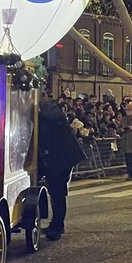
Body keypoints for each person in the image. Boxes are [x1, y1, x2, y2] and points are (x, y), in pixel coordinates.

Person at [38, 96, 86, 240]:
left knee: (58, 193)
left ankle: (57, 227)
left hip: (61, 159)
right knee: (56, 193)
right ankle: (57, 224)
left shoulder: (49, 116)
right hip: (61, 158)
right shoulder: (51, 113)